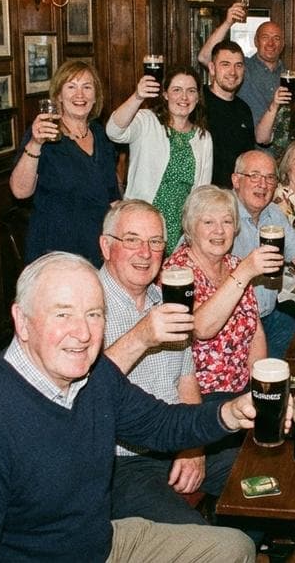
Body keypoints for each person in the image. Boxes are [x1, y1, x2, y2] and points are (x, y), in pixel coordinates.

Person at [0, 251, 256, 562]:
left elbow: (162, 424)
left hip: (101, 543)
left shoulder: (93, 379)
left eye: (94, 314)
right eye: (62, 314)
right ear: (22, 321)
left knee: (235, 548)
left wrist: (229, 413)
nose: (83, 333)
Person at [97, 201, 239, 526]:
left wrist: (195, 449)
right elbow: (82, 392)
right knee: (204, 546)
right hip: (123, 462)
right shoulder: (85, 305)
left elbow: (186, 378)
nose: (145, 253)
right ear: (106, 246)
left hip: (177, 442)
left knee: (262, 478)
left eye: (156, 242)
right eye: (132, 240)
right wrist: (142, 335)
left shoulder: (167, 299)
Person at [10, 60, 120, 267]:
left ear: (96, 96)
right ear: (59, 95)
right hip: (56, 249)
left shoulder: (100, 134)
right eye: (71, 87)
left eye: (87, 87)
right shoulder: (45, 133)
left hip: (98, 248)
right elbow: (20, 191)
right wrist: (35, 143)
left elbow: (112, 197)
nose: (80, 95)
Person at [162, 186, 270, 395]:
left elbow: (255, 332)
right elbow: (201, 327)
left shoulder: (235, 264)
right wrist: (245, 272)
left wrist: (260, 387)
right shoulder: (175, 274)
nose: (219, 230)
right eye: (208, 222)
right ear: (190, 229)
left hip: (241, 389)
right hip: (201, 396)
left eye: (227, 222)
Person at [231, 150, 295, 358]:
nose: (263, 184)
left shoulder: (273, 213)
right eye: (254, 176)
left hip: (269, 317)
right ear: (236, 180)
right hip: (232, 326)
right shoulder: (220, 214)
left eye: (269, 178)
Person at [108, 66, 212, 253]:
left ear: (198, 97)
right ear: (165, 94)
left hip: (181, 230)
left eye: (191, 91)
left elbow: (201, 194)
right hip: (141, 223)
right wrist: (138, 96)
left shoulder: (203, 137)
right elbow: (114, 131)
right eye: (177, 90)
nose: (184, 97)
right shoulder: (147, 121)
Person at [198, 1, 284, 125]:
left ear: (282, 45)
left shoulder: (288, 75)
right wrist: (228, 23)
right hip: (245, 140)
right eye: (265, 37)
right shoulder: (242, 67)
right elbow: (204, 57)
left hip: (279, 143)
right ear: (255, 41)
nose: (271, 43)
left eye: (276, 38)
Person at [202, 39, 256, 188]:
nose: (232, 72)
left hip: (234, 197)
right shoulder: (197, 101)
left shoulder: (244, 109)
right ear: (212, 68)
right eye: (225, 64)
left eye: (238, 66)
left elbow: (247, 159)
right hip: (202, 195)